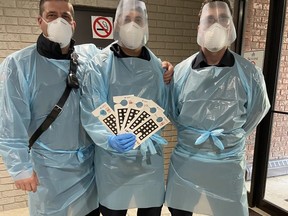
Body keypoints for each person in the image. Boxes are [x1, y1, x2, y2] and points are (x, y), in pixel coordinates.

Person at [165, 0, 270, 216]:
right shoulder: (181, 72)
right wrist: (193, 135)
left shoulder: (250, 74)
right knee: (180, 211)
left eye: (223, 19)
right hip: (188, 161)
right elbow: (172, 111)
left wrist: (232, 137)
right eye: (209, 20)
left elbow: (257, 111)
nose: (216, 25)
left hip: (228, 162)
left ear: (231, 26)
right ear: (199, 28)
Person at [0, 0, 100, 215]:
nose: (59, 21)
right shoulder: (19, 64)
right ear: (40, 21)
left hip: (87, 166)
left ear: (73, 23)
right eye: (52, 15)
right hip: (48, 170)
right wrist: (20, 168)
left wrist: (161, 66)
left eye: (65, 16)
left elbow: (120, 60)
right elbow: (10, 122)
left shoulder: (87, 58)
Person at [80, 0, 172, 215]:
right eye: (126, 19)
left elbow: (163, 107)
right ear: (116, 24)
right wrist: (108, 139)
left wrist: (168, 71)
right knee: (114, 210)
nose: (133, 24)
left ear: (146, 25)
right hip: (113, 161)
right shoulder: (100, 64)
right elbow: (91, 109)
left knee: (150, 208)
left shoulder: (156, 66)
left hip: (149, 159)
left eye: (138, 19)